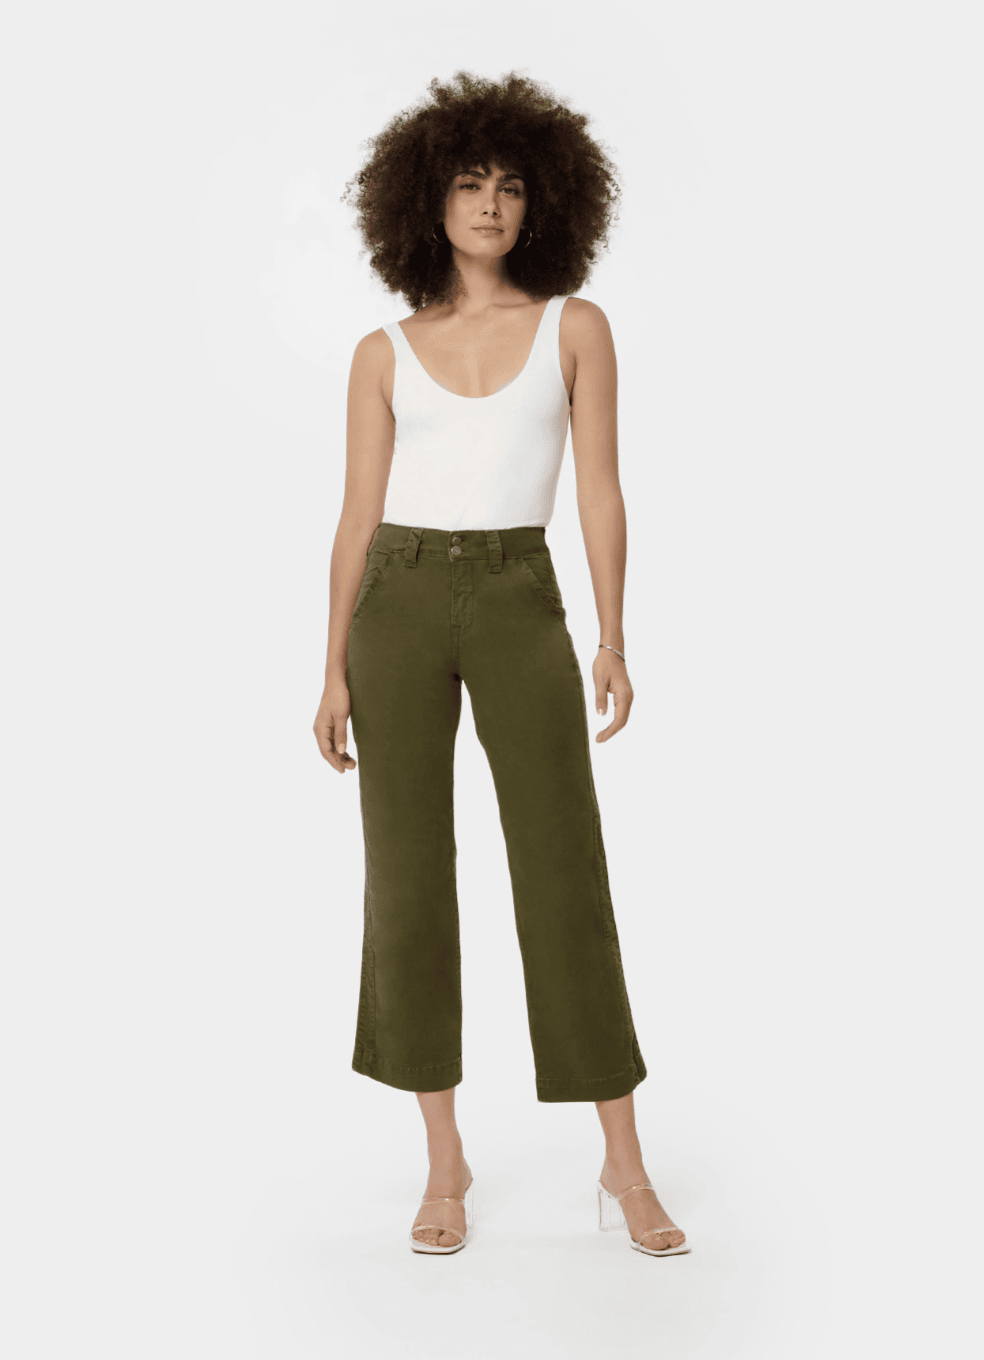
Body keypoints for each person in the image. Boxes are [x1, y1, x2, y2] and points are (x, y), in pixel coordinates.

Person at [313, 71, 689, 1258]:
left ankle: (624, 1164)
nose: (490, 203)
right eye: (470, 182)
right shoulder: (383, 350)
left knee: (564, 871)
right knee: (408, 877)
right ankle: (444, 1160)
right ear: (427, 200)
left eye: (512, 185)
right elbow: (356, 518)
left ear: (542, 204)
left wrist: (612, 635)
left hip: (522, 595)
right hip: (397, 600)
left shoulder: (576, 327)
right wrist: (330, 669)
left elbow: (600, 489)